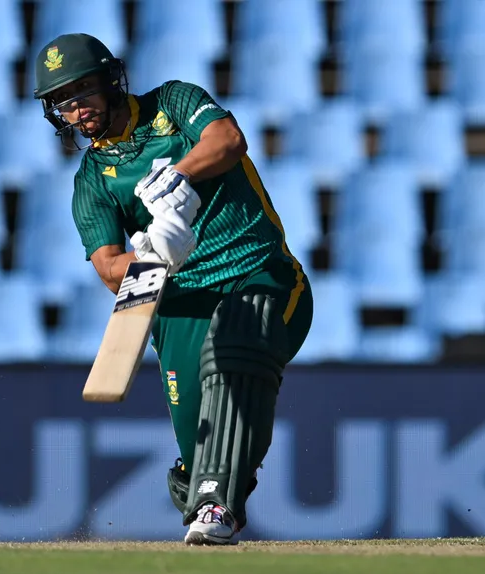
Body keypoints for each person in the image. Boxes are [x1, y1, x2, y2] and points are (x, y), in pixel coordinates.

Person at [33, 33, 313, 545]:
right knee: (197, 436)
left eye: (83, 90)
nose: (76, 108)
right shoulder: (92, 181)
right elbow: (109, 269)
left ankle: (215, 502)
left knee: (234, 351)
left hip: (261, 275)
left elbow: (228, 140)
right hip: (179, 303)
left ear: (110, 81)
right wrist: (154, 254)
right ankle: (199, 482)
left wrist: (178, 177)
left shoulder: (173, 102)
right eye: (63, 101)